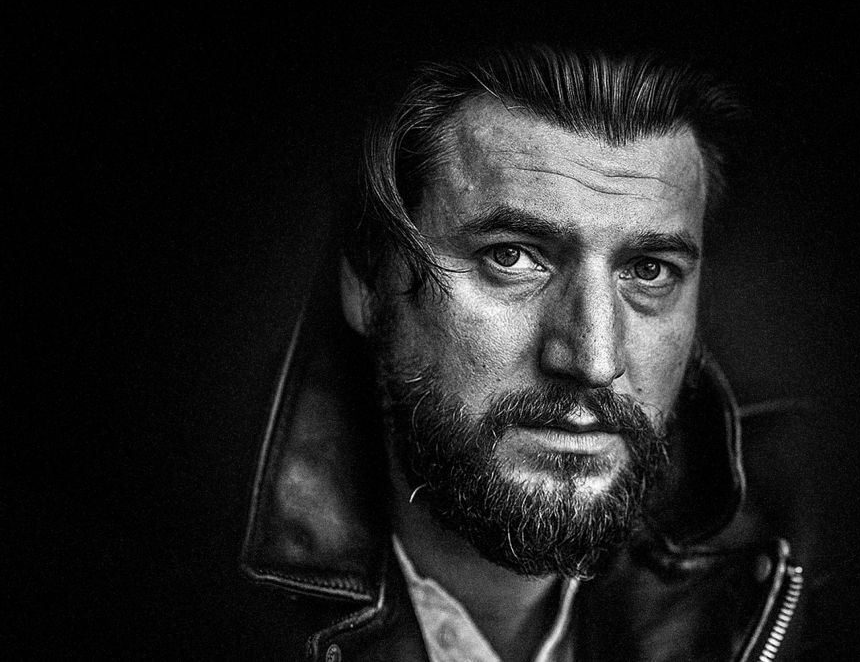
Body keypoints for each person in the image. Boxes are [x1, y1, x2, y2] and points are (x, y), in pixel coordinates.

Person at [239, 44, 806, 661]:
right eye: (511, 257)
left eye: (649, 269)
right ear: (365, 279)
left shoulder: (815, 545)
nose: (593, 360)